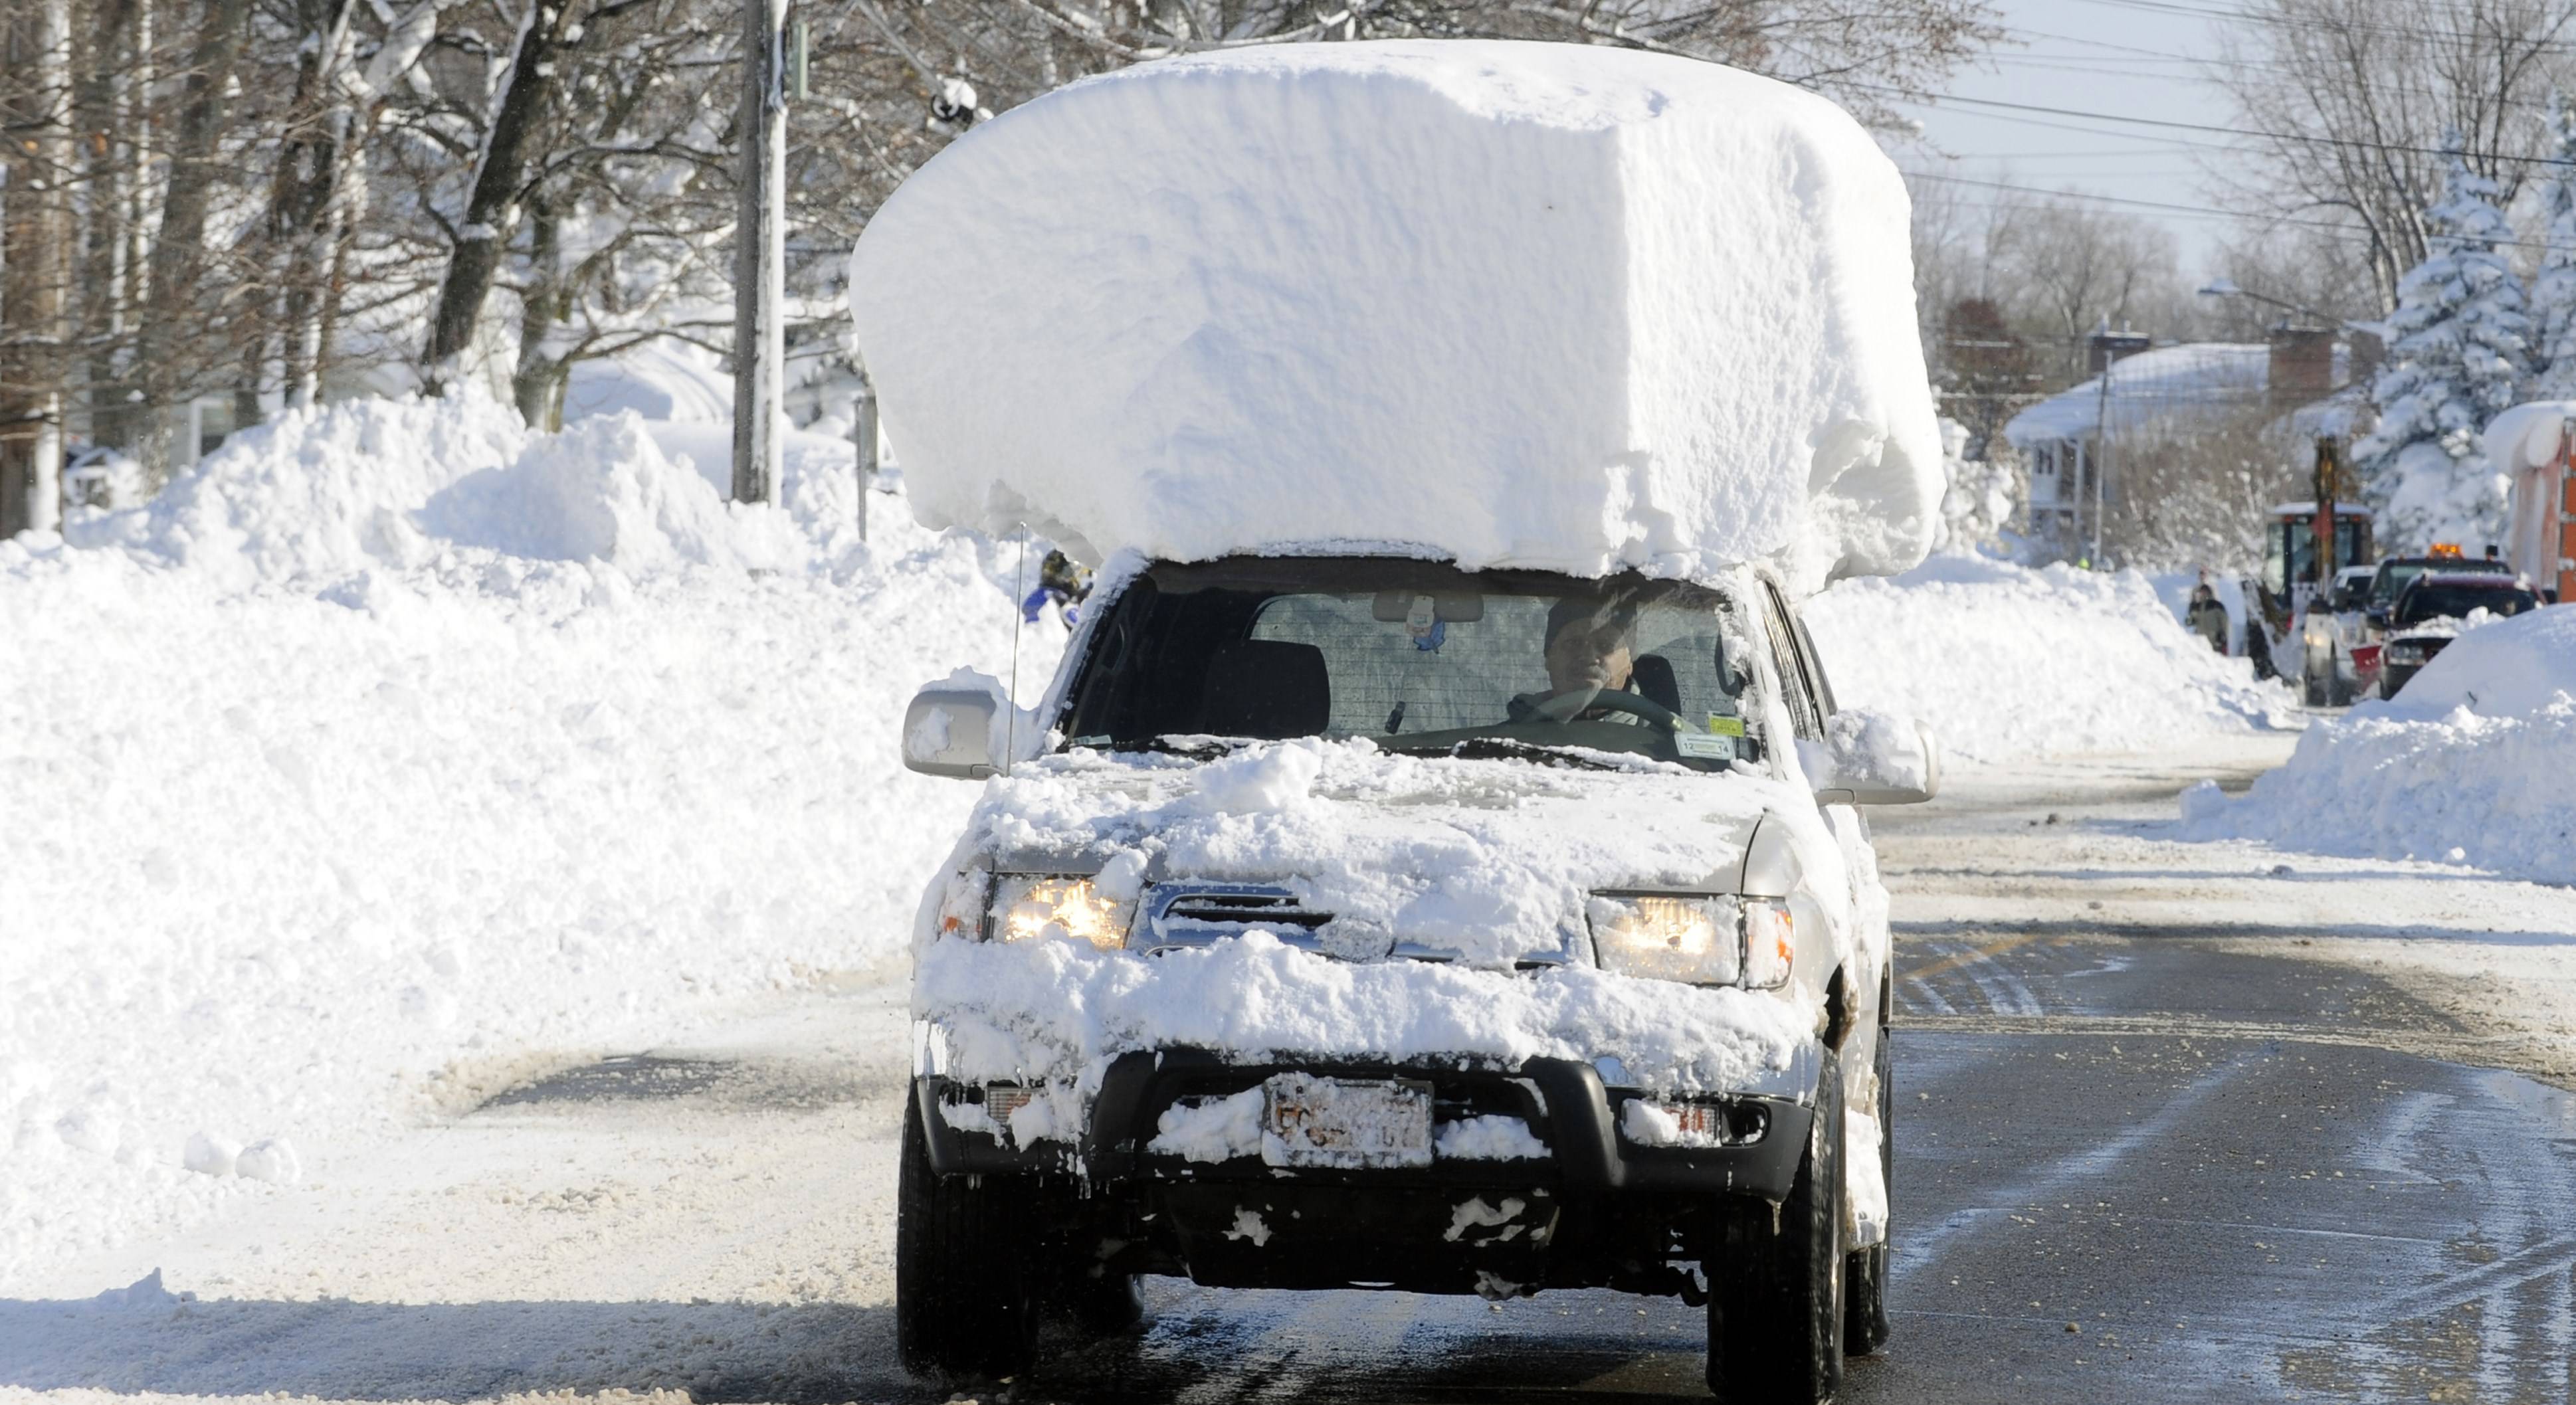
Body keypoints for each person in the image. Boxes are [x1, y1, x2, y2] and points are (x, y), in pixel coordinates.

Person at [1508, 595, 1640, 721]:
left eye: (1605, 646)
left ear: (1630, 663)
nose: (1589, 657)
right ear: (1549, 658)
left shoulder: (1658, 741)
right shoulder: (1500, 741)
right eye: (1574, 643)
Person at [1021, 549, 1092, 628]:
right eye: (1077, 574)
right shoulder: (1057, 599)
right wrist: (1088, 607)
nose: (1078, 580)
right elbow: (1085, 629)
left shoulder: (1038, 596)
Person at [2186, 582, 2228, 654]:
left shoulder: (2216, 605)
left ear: (2209, 592)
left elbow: (2225, 621)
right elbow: (2190, 621)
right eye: (2201, 592)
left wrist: (2223, 635)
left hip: (2215, 641)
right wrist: (2190, 617)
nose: (2203, 594)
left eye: (2205, 591)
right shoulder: (2197, 607)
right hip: (2201, 643)